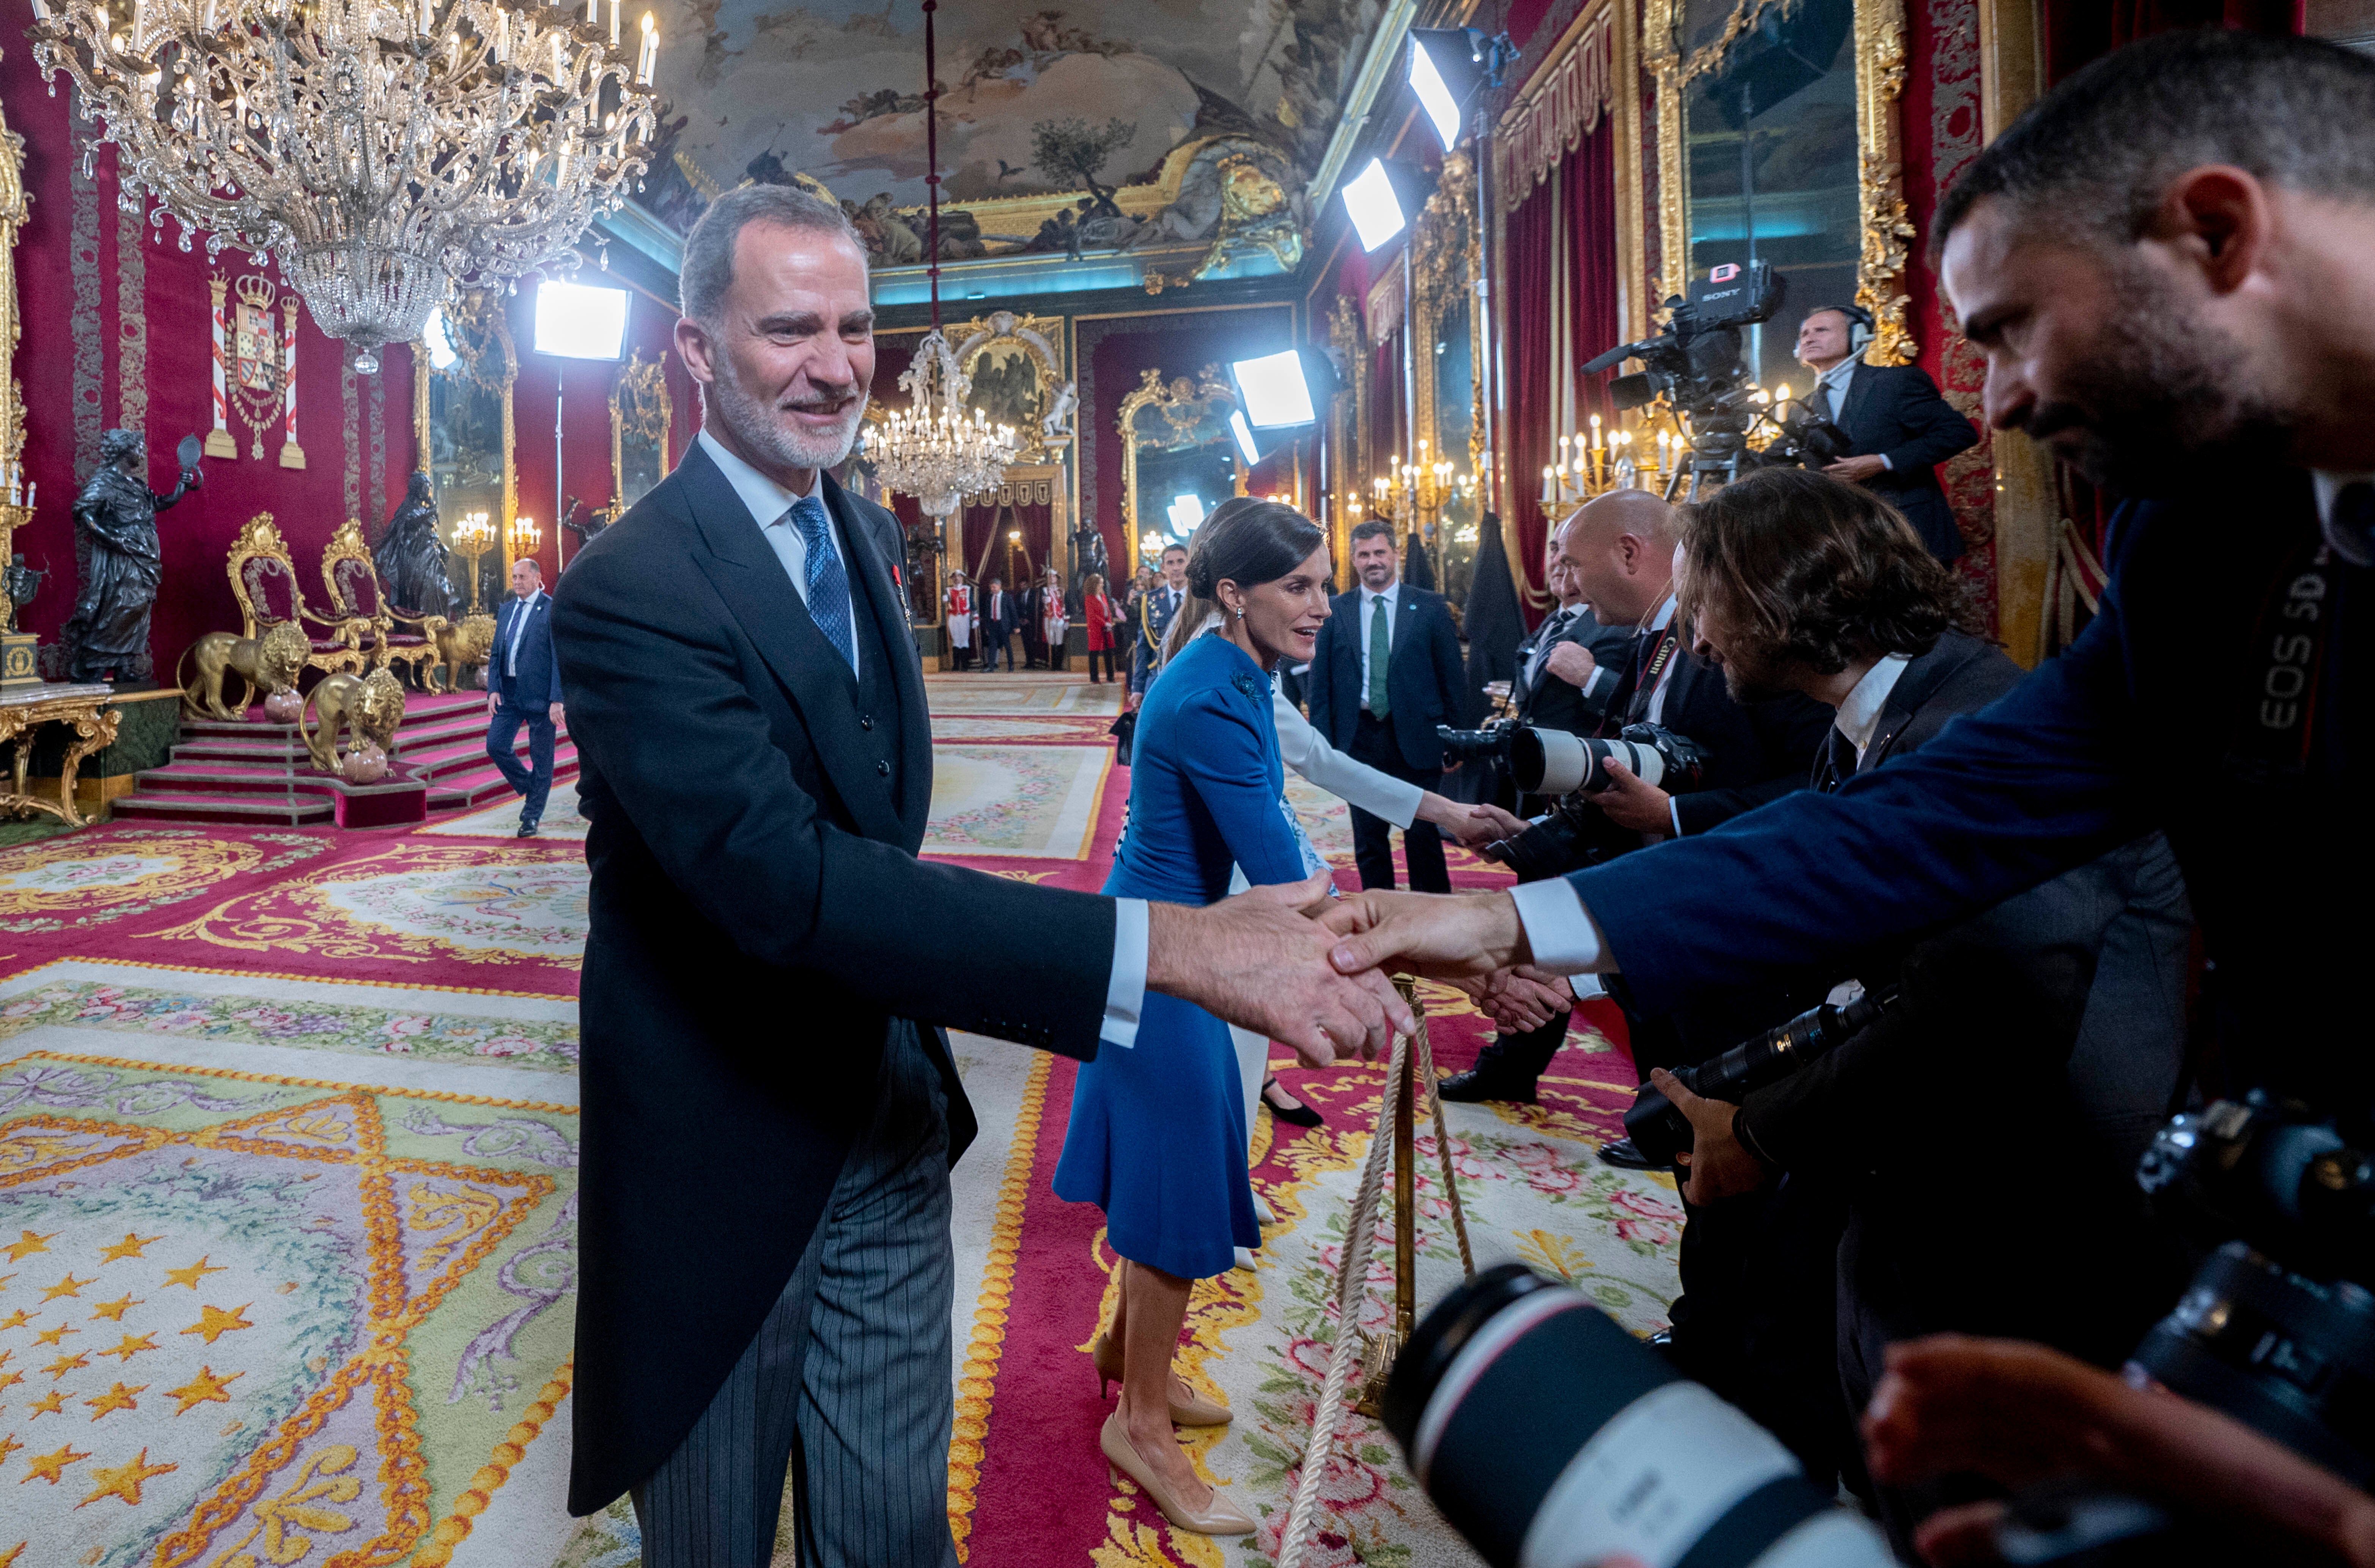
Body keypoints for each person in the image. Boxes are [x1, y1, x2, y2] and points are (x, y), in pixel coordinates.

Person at [550, 183, 1407, 1568]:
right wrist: (1172, 946)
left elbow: (876, 824)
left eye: (855, 326)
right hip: (721, 1136)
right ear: (694, 352)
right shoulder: (630, 585)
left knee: (895, 1533)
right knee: (709, 1542)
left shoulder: (870, 535)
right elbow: (793, 885)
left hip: (887, 1105)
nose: (836, 365)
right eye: (788, 329)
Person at [1321, 29, 2375, 1118]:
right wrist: (1500, 923)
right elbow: (1935, 813)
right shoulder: (2196, 527)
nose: (2000, 401)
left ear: (2213, 233)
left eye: (2012, 330)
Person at [1644, 467, 2191, 1541]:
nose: (1691, 635)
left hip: (2030, 1231)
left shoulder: (1976, 722)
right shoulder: (1882, 717)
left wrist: (1757, 1128)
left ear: (1771, 594)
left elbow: (1986, 997)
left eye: (1698, 600)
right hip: (1918, 1194)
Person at [1052, 501, 1338, 1537]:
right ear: (1235, 594)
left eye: (1325, 585)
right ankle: (1138, 1421)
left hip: (1166, 934)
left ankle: (1127, 1359)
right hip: (1164, 958)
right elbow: (1273, 859)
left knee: (1172, 1157)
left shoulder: (1229, 669)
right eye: (1298, 587)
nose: (1320, 605)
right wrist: (1365, 912)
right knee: (1175, 1182)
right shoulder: (1215, 691)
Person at [1436, 490, 1829, 1106]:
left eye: (1571, 562)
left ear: (1627, 552)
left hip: (1737, 930)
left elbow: (1819, 782)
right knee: (1677, 1107)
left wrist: (1672, 813)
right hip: (1663, 912)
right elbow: (1629, 773)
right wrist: (1525, 831)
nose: (1562, 582)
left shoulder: (1745, 637)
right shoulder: (1655, 636)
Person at [1304, 520, 1467, 894]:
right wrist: (1324, 745)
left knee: (1423, 834)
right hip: (1359, 738)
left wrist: (1456, 739)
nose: (1372, 561)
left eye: (1379, 552)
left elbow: (1452, 679)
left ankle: (1433, 918)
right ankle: (1379, 910)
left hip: (1419, 737)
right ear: (1353, 560)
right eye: (1363, 554)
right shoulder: (1333, 610)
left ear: (1395, 555)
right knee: (1368, 838)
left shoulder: (1429, 607)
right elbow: (1320, 684)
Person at [1793, 304, 1980, 564]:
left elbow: (1958, 433)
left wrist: (1883, 462)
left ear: (1857, 336)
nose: (1809, 338)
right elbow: (1774, 461)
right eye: (1804, 334)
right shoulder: (1801, 408)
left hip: (1911, 534)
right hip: (1847, 544)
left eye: (1821, 330)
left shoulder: (1895, 382)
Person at [487, 555, 562, 838]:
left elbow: (558, 659)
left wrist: (558, 699)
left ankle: (531, 817)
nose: (517, 582)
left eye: (522, 577)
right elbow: (496, 654)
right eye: (514, 577)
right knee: (496, 745)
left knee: (542, 758)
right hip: (508, 693)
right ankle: (531, 788)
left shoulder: (551, 609)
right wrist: (493, 689)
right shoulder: (506, 610)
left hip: (541, 697)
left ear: (536, 578)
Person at [1129, 545, 1188, 699]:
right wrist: (1138, 687)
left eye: (1181, 562)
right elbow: (1143, 647)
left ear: (1189, 564)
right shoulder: (1150, 601)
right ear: (1163, 567)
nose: (1176, 568)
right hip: (1159, 676)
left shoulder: (1201, 600)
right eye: (1170, 563)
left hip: (1192, 676)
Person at [1081, 571, 1121, 682]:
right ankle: (1094, 678)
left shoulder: (1103, 596)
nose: (1102, 585)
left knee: (1109, 653)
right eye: (1100, 583)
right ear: (1094, 585)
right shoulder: (1089, 598)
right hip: (1096, 629)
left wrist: (1109, 622)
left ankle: (1111, 676)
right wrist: (1105, 623)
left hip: (1106, 629)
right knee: (1094, 654)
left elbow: (1107, 611)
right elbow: (1093, 616)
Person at [978, 575, 1015, 671]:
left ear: (1000, 586)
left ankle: (1011, 666)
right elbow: (987, 613)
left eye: (994, 587)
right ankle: (991, 667)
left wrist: (1016, 626)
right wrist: (987, 627)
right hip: (993, 625)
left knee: (1007, 646)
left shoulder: (1007, 597)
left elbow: (1013, 612)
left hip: (1004, 625)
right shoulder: (990, 598)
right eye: (991, 587)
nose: (993, 589)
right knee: (992, 646)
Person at [1038, 566, 1070, 671]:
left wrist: (1067, 620)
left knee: (1059, 641)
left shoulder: (1062, 590)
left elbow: (1066, 605)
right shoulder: (1044, 590)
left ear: (1057, 579)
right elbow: (1039, 606)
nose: (1052, 579)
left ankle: (1059, 664)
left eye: (1053, 577)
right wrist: (1044, 601)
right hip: (1049, 617)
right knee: (1051, 640)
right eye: (1050, 577)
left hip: (1060, 618)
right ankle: (1051, 664)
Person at [944, 570, 973, 670]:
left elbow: (972, 603)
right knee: (956, 640)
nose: (957, 579)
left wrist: (976, 617)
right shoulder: (949, 590)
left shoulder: (967, 589)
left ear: (962, 578)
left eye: (959, 577)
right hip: (953, 616)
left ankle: (965, 665)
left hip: (965, 616)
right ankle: (956, 665)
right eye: (955, 577)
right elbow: (948, 601)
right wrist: (946, 599)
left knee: (964, 640)